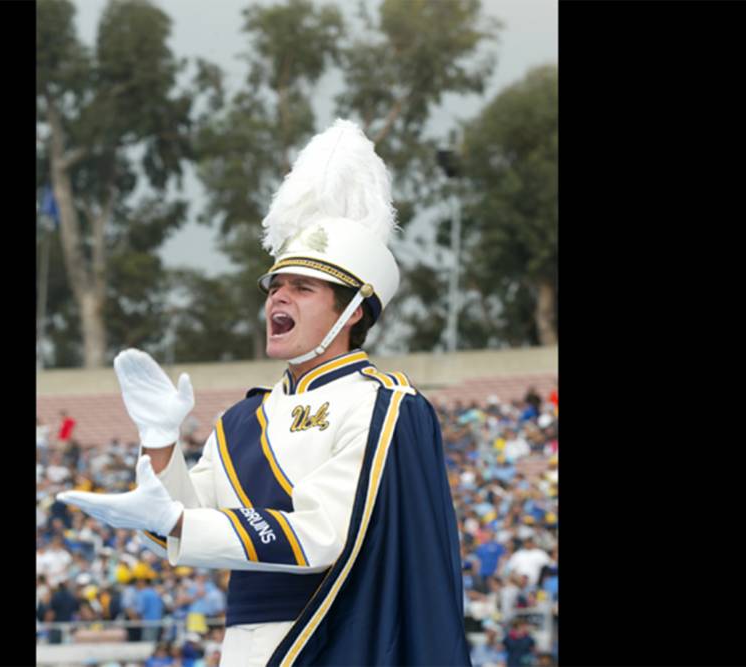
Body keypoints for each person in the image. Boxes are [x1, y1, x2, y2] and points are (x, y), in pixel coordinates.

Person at [59, 119, 471, 665]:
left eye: (302, 288)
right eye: (275, 286)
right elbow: (180, 521)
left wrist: (178, 522)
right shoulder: (241, 419)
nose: (279, 297)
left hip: (335, 642)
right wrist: (159, 441)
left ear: (352, 313)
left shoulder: (384, 405)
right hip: (241, 647)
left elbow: (324, 536)